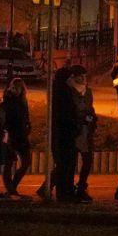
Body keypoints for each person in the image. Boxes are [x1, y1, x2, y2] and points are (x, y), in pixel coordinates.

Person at [47, 66, 79, 202]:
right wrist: (74, 124)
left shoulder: (64, 91)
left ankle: (66, 191)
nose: (73, 80)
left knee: (67, 164)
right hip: (63, 135)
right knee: (65, 165)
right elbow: (65, 115)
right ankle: (64, 193)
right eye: (71, 77)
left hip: (65, 134)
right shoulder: (62, 93)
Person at [0, 78, 31, 198]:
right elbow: (4, 119)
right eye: (14, 87)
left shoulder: (23, 102)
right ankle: (10, 189)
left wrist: (28, 126)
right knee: (8, 163)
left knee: (26, 162)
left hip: (22, 135)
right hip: (11, 135)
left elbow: (26, 117)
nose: (17, 90)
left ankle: (12, 186)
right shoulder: (7, 101)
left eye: (19, 88)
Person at [69, 66, 97, 203]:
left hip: (86, 129)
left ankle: (81, 187)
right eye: (82, 76)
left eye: (85, 76)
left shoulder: (88, 91)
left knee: (87, 159)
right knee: (70, 161)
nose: (85, 78)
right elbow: (73, 110)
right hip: (76, 130)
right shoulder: (70, 91)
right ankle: (50, 185)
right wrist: (82, 117)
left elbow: (90, 107)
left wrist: (92, 118)